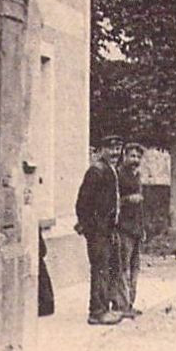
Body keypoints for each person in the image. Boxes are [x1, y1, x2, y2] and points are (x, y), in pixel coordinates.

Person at [74, 135, 123, 326]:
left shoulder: (110, 170)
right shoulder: (96, 171)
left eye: (118, 148)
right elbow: (82, 203)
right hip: (98, 231)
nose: (115, 153)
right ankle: (97, 312)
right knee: (100, 269)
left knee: (109, 268)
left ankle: (106, 308)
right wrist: (90, 228)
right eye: (111, 148)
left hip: (108, 230)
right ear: (101, 149)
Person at [113, 142, 146, 319]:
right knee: (122, 267)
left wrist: (143, 228)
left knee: (134, 268)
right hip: (123, 228)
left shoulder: (137, 176)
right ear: (125, 156)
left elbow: (140, 206)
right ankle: (121, 304)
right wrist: (128, 199)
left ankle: (130, 303)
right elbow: (113, 201)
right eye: (132, 156)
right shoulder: (118, 176)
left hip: (136, 229)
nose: (135, 160)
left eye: (138, 157)